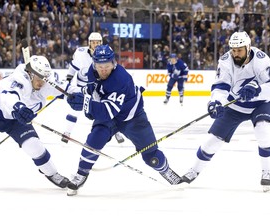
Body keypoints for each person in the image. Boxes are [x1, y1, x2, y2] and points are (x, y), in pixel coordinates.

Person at [66, 45, 183, 196]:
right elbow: (90, 90)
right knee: (94, 141)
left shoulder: (120, 79)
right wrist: (81, 97)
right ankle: (81, 174)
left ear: (113, 63)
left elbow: (108, 112)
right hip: (109, 114)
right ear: (94, 64)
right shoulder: (91, 71)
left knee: (151, 156)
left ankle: (166, 171)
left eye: (107, 66)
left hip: (133, 117)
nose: (103, 70)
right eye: (100, 66)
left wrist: (86, 105)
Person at [181, 31, 270, 192]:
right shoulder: (226, 61)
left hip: (260, 104)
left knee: (264, 131)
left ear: (248, 47)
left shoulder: (261, 60)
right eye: (233, 50)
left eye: (239, 50)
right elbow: (221, 86)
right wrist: (216, 102)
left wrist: (257, 89)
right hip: (234, 106)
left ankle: (267, 171)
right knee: (213, 141)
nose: (235, 53)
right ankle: (194, 170)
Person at [0, 55, 80, 189]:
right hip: (6, 110)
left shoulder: (44, 82)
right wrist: (18, 107)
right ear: (30, 74)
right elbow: (9, 96)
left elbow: (64, 87)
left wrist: (75, 94)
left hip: (15, 119)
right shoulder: (19, 80)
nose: (41, 82)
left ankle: (52, 173)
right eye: (38, 78)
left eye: (44, 79)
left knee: (34, 146)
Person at [62, 32, 125, 144]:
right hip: (82, 87)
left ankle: (116, 131)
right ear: (89, 43)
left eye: (97, 42)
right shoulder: (80, 53)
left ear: (101, 43)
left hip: (97, 87)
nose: (95, 44)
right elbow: (73, 67)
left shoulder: (105, 52)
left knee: (105, 108)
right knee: (75, 108)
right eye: (93, 42)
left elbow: (111, 69)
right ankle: (67, 133)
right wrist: (68, 80)